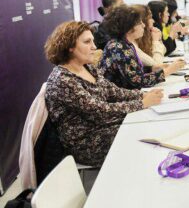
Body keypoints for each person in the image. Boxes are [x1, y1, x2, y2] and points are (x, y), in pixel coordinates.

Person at [44, 21, 164, 166]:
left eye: (92, 41)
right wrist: (142, 103)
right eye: (87, 42)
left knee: (149, 124)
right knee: (143, 134)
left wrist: (143, 95)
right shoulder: (62, 80)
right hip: (88, 143)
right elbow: (99, 111)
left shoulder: (87, 67)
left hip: (105, 127)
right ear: (69, 47)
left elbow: (113, 91)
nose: (94, 47)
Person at [99, 5, 184, 89]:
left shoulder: (124, 44)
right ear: (128, 27)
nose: (143, 25)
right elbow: (137, 81)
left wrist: (153, 68)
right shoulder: (118, 48)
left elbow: (132, 71)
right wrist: (168, 71)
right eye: (140, 23)